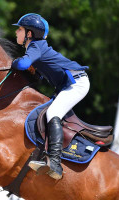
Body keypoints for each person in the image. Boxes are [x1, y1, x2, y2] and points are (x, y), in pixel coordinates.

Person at [11, 13, 90, 180]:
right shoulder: (37, 47)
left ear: (29, 34)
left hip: (76, 83)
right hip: (69, 84)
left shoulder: (35, 47)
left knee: (52, 113)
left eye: (20, 29)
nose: (16, 32)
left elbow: (23, 64)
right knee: (46, 111)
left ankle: (54, 162)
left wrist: (13, 62)